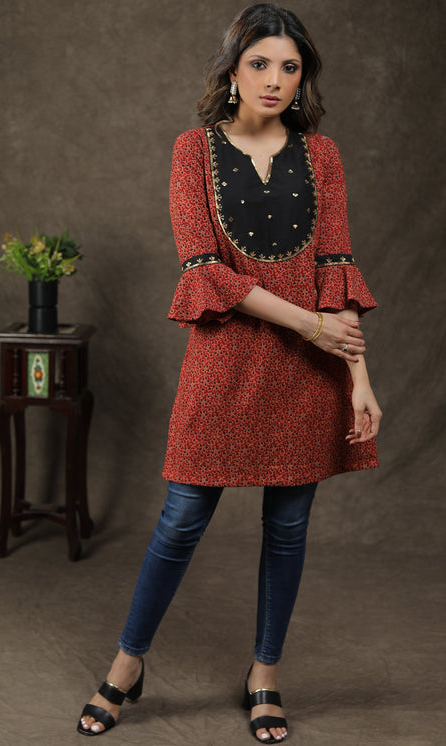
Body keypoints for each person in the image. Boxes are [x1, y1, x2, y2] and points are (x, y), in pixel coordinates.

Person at [77, 3, 382, 742]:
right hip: (225, 360)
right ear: (233, 71)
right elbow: (205, 271)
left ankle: (265, 674)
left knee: (288, 528)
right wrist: (308, 324)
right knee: (181, 518)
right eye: (259, 63)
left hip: (310, 372)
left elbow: (337, 270)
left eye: (290, 67)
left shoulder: (323, 155)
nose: (274, 79)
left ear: (302, 78)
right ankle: (128, 663)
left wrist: (359, 378)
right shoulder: (193, 151)